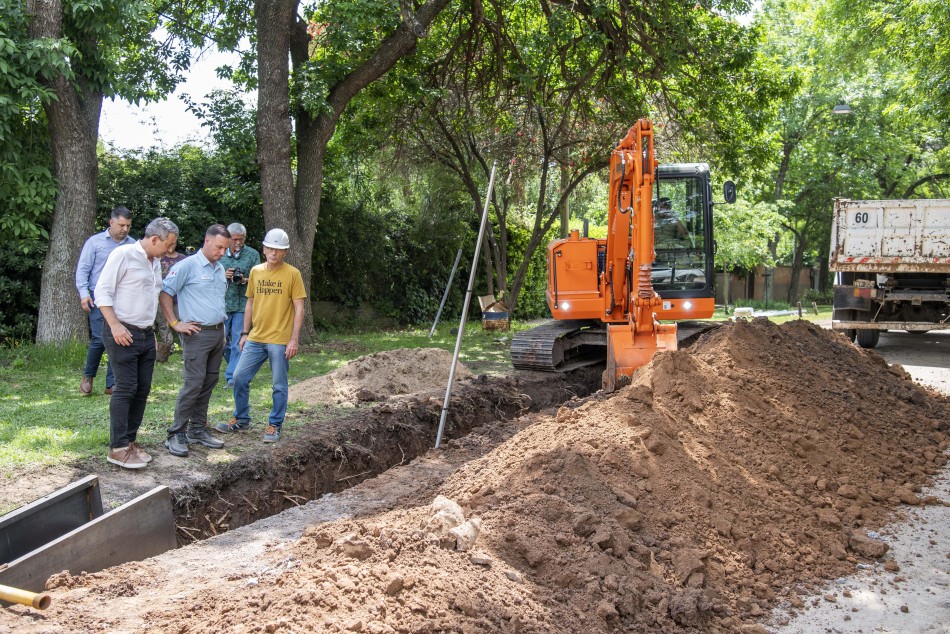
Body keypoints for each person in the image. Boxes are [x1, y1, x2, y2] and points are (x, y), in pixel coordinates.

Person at [96, 217, 179, 470]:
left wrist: (150, 329)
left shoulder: (155, 261)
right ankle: (118, 448)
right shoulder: (123, 255)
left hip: (144, 334)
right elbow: (102, 292)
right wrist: (115, 325)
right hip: (121, 331)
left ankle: (130, 442)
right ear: (154, 239)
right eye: (168, 244)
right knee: (125, 388)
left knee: (142, 389)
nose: (170, 250)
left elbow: (150, 297)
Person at [215, 228, 306, 443]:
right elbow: (250, 302)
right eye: (270, 249)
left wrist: (294, 339)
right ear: (264, 249)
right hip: (255, 338)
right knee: (239, 377)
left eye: (279, 250)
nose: (274, 253)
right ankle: (241, 418)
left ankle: (274, 424)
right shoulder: (256, 272)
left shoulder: (293, 274)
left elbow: (299, 308)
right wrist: (245, 333)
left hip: (279, 340)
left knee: (279, 385)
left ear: (285, 252)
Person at [159, 224, 231, 458]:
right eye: (219, 247)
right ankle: (176, 433)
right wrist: (174, 323)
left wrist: (222, 330)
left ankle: (197, 429)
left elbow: (217, 301)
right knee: (193, 383)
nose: (222, 252)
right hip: (196, 334)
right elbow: (165, 293)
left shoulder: (219, 268)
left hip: (217, 333)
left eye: (225, 248)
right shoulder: (187, 266)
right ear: (207, 241)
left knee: (209, 382)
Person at [75, 206, 135, 396]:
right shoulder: (95, 242)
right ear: (111, 222)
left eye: (128, 226)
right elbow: (83, 270)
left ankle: (112, 384)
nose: (125, 229)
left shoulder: (132, 245)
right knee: (99, 338)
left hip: (122, 297)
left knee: (119, 338)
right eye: (121, 225)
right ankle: (88, 377)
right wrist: (84, 293)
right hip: (98, 297)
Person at [220, 223, 261, 388]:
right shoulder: (220, 252)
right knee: (221, 342)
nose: (238, 242)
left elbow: (260, 278)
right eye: (235, 239)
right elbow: (208, 275)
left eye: (241, 239)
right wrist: (223, 275)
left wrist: (245, 280)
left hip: (243, 305)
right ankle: (235, 365)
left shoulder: (252, 254)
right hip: (222, 304)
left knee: (238, 341)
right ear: (228, 238)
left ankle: (232, 377)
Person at [155, 241, 188, 363]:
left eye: (173, 243)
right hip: (161, 297)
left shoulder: (183, 259)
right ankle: (167, 350)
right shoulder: (158, 257)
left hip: (179, 299)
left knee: (181, 323)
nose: (170, 246)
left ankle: (186, 350)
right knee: (163, 325)